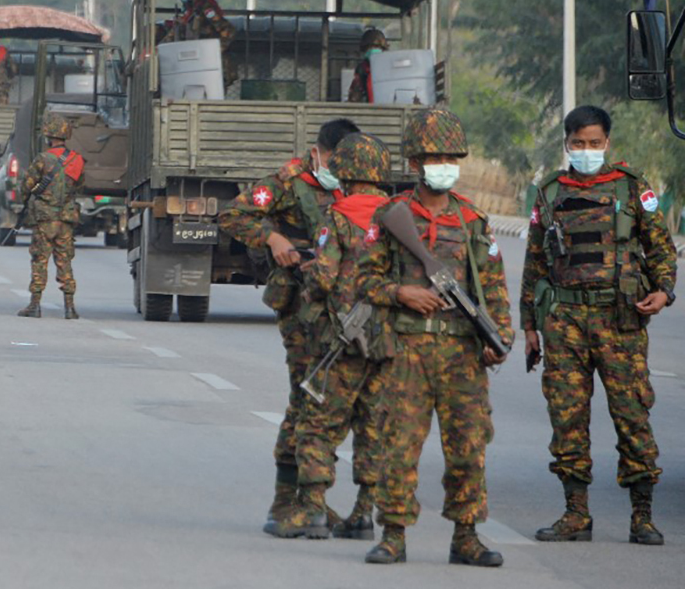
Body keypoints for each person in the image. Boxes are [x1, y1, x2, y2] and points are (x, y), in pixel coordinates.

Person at [357, 108, 511, 567]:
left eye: (449, 156)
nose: (443, 163)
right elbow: (359, 282)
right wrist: (400, 292)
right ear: (415, 163)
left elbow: (495, 289)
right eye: (433, 156)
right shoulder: (391, 216)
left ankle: (467, 537)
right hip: (408, 351)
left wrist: (497, 336)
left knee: (468, 447)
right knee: (398, 445)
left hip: (463, 353)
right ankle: (392, 534)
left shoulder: (472, 221)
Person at [522, 105, 676, 546]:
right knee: (567, 416)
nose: (586, 151)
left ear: (607, 143)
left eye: (594, 143)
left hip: (619, 320)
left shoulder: (632, 188)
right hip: (564, 321)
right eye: (578, 144)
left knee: (632, 415)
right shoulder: (550, 192)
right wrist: (529, 326)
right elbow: (534, 264)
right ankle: (575, 514)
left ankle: (642, 516)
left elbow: (662, 248)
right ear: (566, 143)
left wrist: (665, 290)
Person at [217, 118, 358, 539]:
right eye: (336, 159)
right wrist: (271, 237)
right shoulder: (286, 181)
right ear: (320, 152)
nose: (341, 167)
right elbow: (232, 215)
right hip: (299, 303)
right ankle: (287, 500)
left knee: (335, 400)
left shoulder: (351, 186)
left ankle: (312, 498)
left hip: (339, 305)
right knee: (307, 394)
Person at [284, 133, 395, 541]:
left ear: (344, 173)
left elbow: (325, 278)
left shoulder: (338, 216)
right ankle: (364, 513)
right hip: (386, 339)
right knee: (373, 424)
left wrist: (307, 273)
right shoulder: (401, 215)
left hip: (341, 340)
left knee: (319, 424)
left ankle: (313, 510)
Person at [16, 114, 84, 320]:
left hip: (45, 219)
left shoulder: (43, 159)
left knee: (40, 260)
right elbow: (79, 186)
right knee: (65, 261)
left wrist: (29, 197)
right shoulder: (76, 160)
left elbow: (26, 186)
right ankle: (70, 307)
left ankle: (35, 305)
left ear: (48, 135)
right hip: (66, 219)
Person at [178, 0, 237, 88]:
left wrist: (213, 51)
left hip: (214, 67)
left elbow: (229, 30)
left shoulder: (206, 8)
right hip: (200, 65)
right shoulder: (194, 11)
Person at [347, 28, 389, 103]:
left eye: (377, 47)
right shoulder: (362, 68)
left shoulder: (390, 66)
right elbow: (355, 93)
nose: (373, 50)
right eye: (370, 47)